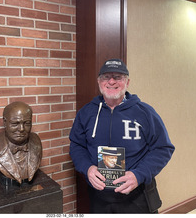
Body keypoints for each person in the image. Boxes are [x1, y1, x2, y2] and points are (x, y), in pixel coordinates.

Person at [69, 58, 175, 213]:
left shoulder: (145, 113)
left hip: (137, 197)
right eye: (106, 77)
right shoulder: (86, 113)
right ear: (99, 81)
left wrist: (139, 175)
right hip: (99, 198)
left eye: (118, 77)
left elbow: (163, 148)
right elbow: (77, 145)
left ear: (127, 82)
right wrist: (88, 168)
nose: (111, 81)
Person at [0, 101, 42, 184]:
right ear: (5, 123)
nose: (21, 129)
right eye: (15, 124)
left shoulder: (36, 141)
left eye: (27, 123)